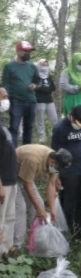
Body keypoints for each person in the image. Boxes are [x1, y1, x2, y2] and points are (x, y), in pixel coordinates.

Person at [51, 105, 81, 240]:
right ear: (71, 116)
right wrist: (56, 175)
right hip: (69, 171)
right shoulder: (60, 128)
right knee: (69, 201)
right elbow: (54, 153)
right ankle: (67, 230)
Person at [14, 146, 72, 249]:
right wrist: (39, 209)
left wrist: (52, 209)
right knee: (20, 208)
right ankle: (16, 245)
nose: (57, 170)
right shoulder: (33, 159)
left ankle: (33, 239)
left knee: (39, 204)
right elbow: (27, 185)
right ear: (52, 161)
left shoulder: (56, 162)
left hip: (26, 177)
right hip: (12, 176)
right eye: (57, 167)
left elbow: (51, 184)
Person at [2, 41, 39, 147]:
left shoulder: (32, 67)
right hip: (16, 101)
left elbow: (37, 81)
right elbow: (6, 84)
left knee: (28, 127)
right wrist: (6, 100)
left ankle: (26, 151)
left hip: (31, 100)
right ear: (18, 51)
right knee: (14, 127)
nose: (28, 54)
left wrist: (34, 85)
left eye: (29, 51)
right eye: (25, 51)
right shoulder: (9, 66)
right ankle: (13, 152)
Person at [0, 87, 17, 255]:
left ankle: (5, 252)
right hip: (3, 179)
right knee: (1, 219)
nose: (6, 100)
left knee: (10, 217)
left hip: (11, 178)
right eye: (3, 97)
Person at [61, 52, 81, 117]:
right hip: (73, 99)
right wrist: (78, 88)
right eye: (80, 63)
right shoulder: (67, 71)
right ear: (74, 62)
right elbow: (63, 85)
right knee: (74, 120)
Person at [34, 59, 58, 143]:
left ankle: (56, 134)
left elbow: (53, 87)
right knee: (40, 119)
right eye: (43, 65)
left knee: (54, 118)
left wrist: (45, 88)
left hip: (49, 100)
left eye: (46, 65)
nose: (44, 67)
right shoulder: (35, 76)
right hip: (39, 100)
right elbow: (35, 87)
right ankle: (42, 136)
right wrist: (42, 88)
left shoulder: (48, 76)